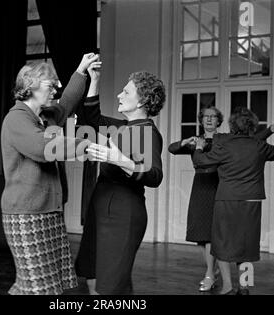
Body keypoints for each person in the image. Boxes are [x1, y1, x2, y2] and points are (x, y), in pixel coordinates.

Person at [0, 53, 99, 295]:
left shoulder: (44, 117)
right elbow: (42, 148)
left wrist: (81, 69)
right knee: (37, 287)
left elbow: (66, 103)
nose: (55, 89)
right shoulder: (17, 118)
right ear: (30, 85)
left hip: (48, 212)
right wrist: (86, 145)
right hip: (26, 215)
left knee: (47, 286)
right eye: (50, 84)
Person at [74, 60, 165, 295]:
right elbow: (93, 118)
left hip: (122, 217)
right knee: (92, 276)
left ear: (143, 100)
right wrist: (94, 80)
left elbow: (155, 176)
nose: (119, 94)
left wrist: (119, 159)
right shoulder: (124, 127)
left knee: (111, 287)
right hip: (101, 209)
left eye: (126, 91)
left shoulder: (147, 132)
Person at [168, 107, 274, 292]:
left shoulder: (226, 139)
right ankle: (215, 275)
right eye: (206, 117)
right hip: (203, 190)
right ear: (201, 120)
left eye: (213, 117)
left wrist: (270, 130)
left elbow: (251, 142)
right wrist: (185, 141)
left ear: (220, 121)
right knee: (205, 236)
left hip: (222, 191)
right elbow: (172, 148)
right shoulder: (198, 140)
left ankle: (229, 283)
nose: (210, 119)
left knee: (224, 240)